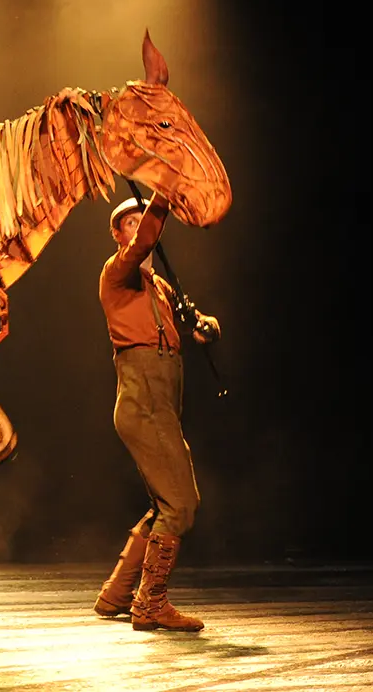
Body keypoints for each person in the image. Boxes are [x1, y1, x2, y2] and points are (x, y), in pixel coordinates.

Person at [93, 195, 221, 632]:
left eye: (140, 221)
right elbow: (144, 242)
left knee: (163, 504)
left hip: (161, 399)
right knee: (182, 506)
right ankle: (150, 605)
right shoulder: (116, 273)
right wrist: (162, 196)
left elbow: (197, 325)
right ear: (118, 235)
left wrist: (206, 326)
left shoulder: (161, 289)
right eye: (129, 223)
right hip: (142, 397)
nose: (138, 228)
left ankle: (116, 594)